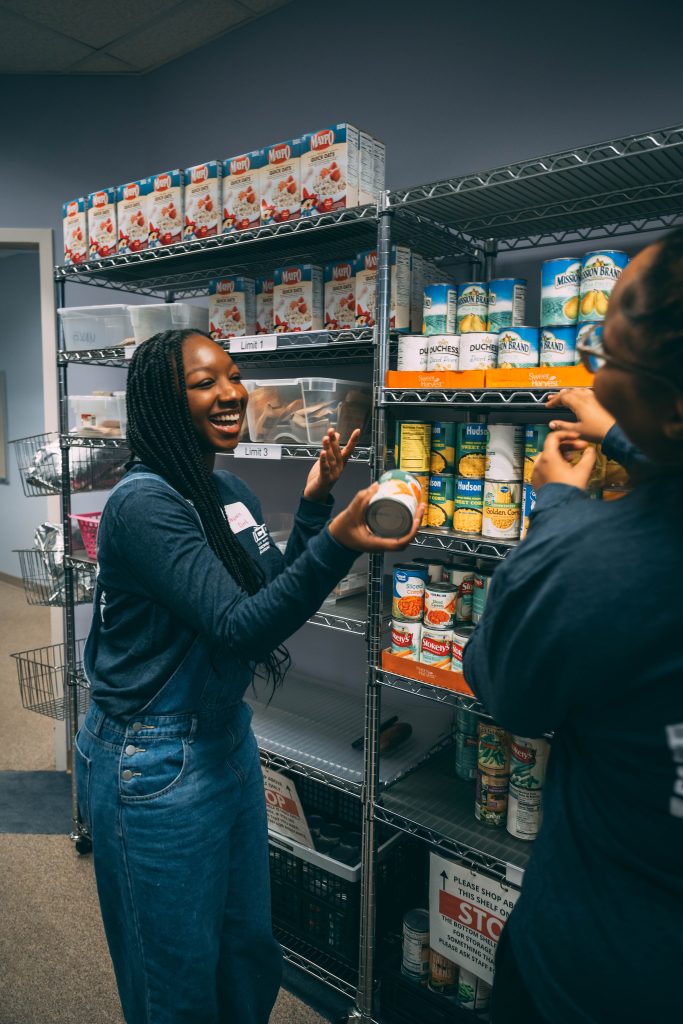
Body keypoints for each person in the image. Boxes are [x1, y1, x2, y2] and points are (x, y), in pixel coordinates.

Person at [75, 329, 422, 1024]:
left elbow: (263, 596)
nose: (232, 392)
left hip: (224, 740)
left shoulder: (227, 490)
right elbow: (239, 629)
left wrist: (317, 505)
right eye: (205, 383)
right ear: (162, 404)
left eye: (233, 376)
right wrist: (335, 543)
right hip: (152, 759)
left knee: (246, 953)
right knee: (174, 977)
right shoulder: (142, 505)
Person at [464, 231, 683, 1023]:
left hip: (603, 970)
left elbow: (504, 688)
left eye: (606, 354)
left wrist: (554, 507)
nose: (592, 366)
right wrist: (626, 432)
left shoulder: (596, 564)